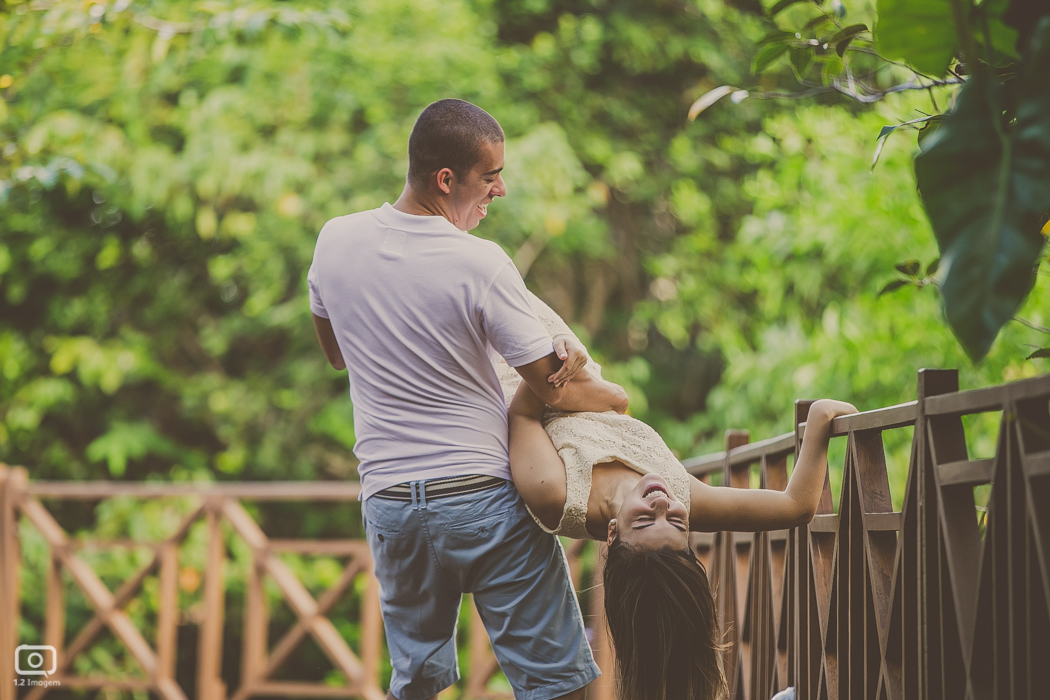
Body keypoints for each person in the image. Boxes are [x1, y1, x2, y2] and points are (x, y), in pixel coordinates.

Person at [308, 98, 629, 700]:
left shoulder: (334, 239)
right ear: (446, 179)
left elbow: (337, 352)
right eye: (490, 176)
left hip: (391, 505)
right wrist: (614, 393)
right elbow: (548, 383)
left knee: (419, 682)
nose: (500, 189)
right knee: (559, 683)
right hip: (483, 502)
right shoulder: (479, 262)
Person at [501, 296, 857, 700]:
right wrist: (821, 418)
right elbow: (795, 506)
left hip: (515, 360)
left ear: (614, 534)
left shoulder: (558, 494)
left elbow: (523, 416)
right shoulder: (683, 494)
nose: (662, 505)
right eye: (676, 523)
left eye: (644, 520)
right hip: (560, 358)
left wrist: (559, 372)